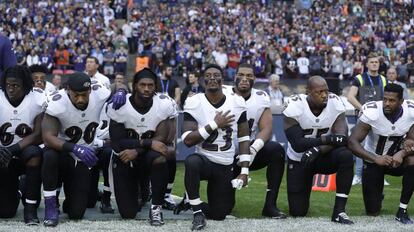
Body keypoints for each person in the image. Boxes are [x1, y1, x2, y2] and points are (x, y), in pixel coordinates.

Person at [175, 64, 251, 230]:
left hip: (225, 164)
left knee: (220, 213)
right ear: (203, 80)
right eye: (208, 75)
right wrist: (214, 124)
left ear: (222, 79)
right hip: (205, 160)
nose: (212, 78)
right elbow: (187, 140)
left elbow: (244, 138)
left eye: (216, 75)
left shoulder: (237, 102)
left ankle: (191, 201)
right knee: (192, 162)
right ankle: (197, 213)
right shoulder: (195, 102)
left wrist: (244, 171)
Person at [107, 68, 177, 226]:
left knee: (161, 156)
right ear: (135, 86)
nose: (146, 89)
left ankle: (156, 208)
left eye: (150, 85)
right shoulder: (121, 105)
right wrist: (147, 142)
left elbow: (161, 140)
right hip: (124, 157)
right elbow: (117, 143)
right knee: (128, 213)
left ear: (155, 86)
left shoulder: (163, 104)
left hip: (145, 156)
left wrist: (137, 149)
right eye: (142, 85)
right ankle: (142, 188)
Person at [41, 73, 111, 227]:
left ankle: (69, 201)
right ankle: (51, 205)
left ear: (90, 91)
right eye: (76, 95)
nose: (80, 99)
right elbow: (47, 137)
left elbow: (117, 94)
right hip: (63, 153)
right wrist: (75, 148)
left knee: (76, 213)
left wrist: (121, 92)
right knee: (49, 155)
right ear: (68, 91)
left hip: (83, 157)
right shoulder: (57, 102)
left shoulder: (100, 93)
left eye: (84, 95)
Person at [284, 76, 354, 224]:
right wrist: (327, 139)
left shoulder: (335, 102)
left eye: (326, 91)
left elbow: (341, 138)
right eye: (319, 92)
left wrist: (319, 149)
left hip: (324, 156)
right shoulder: (295, 105)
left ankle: (339, 211)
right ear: (308, 91)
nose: (324, 95)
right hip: (300, 158)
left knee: (346, 155)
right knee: (298, 212)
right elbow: (298, 144)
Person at [348, 83, 414, 224]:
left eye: (392, 100)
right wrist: (375, 158)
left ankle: (402, 209)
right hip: (373, 161)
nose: (387, 103)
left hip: (396, 161)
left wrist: (402, 153)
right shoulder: (372, 112)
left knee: (413, 160)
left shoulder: (410, 111)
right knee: (372, 211)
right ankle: (378, 194)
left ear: (401, 102)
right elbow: (352, 142)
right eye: (385, 99)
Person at [230, 63, 286, 218]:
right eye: (241, 75)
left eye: (249, 76)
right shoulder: (224, 93)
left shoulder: (261, 97)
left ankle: (270, 205)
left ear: (254, 78)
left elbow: (267, 128)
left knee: (276, 150)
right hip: (226, 155)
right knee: (223, 208)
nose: (245, 79)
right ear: (234, 76)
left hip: (249, 151)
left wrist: (253, 150)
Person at [0, 65, 46, 225]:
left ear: (26, 86)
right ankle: (17, 191)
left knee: (35, 154)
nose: (10, 90)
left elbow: (38, 135)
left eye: (15, 86)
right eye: (8, 85)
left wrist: (12, 149)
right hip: (2, 155)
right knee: (6, 212)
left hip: (24, 151)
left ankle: (30, 209)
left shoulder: (37, 98)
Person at [347, 53, 388, 186]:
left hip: (379, 118)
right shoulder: (359, 78)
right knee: (360, 146)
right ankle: (358, 175)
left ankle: (381, 175)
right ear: (367, 64)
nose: (374, 64)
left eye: (376, 62)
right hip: (364, 118)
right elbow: (350, 97)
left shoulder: (383, 79)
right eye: (372, 62)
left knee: (380, 147)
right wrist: (363, 108)